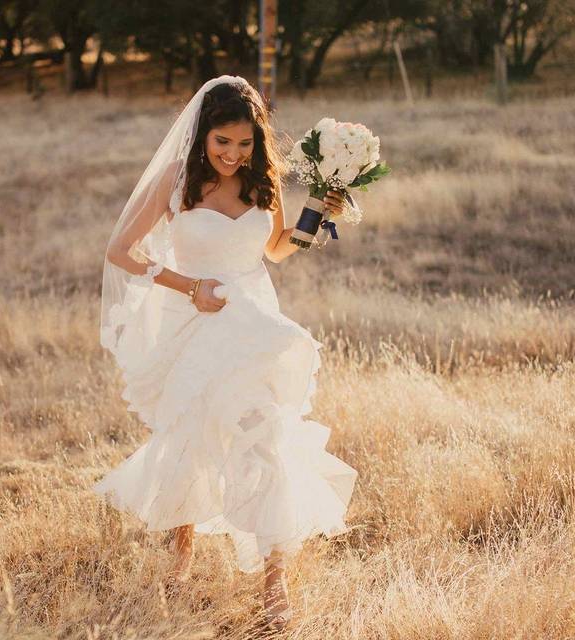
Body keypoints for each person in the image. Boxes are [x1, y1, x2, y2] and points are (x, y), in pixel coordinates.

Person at [94, 74, 358, 633]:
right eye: (222, 144)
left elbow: (280, 250)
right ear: (202, 137)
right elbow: (121, 250)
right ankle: (180, 553)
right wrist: (188, 287)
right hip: (195, 318)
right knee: (192, 436)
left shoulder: (265, 180)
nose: (233, 155)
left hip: (255, 322)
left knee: (264, 435)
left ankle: (274, 580)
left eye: (243, 144)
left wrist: (320, 211)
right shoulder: (176, 179)